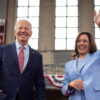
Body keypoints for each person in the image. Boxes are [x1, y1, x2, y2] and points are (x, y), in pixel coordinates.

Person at [0, 19, 45, 100]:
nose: (23, 31)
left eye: (26, 28)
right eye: (20, 28)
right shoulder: (2, 50)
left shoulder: (37, 56)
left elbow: (40, 83)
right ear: (14, 32)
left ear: (31, 34)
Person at [61, 10, 100, 100]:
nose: (81, 43)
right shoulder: (68, 65)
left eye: (85, 41)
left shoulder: (97, 57)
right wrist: (70, 85)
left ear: (90, 44)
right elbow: (64, 90)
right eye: (78, 41)